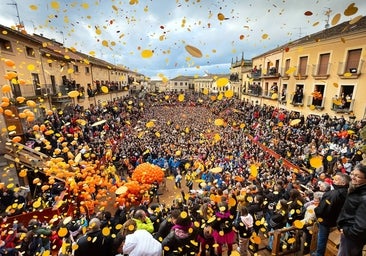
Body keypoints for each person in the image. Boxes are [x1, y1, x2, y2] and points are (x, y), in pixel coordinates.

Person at [312, 172, 350, 256]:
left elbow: (323, 209)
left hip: (327, 220)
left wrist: (316, 210)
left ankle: (319, 254)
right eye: (334, 179)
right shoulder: (347, 192)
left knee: (322, 238)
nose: (334, 181)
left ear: (343, 183)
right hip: (336, 220)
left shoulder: (333, 194)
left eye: (336, 180)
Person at [337, 163, 366, 256]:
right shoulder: (356, 189)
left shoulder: (364, 197)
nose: (353, 177)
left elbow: (361, 226)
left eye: (358, 176)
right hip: (350, 235)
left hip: (352, 238)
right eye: (353, 174)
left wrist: (346, 231)